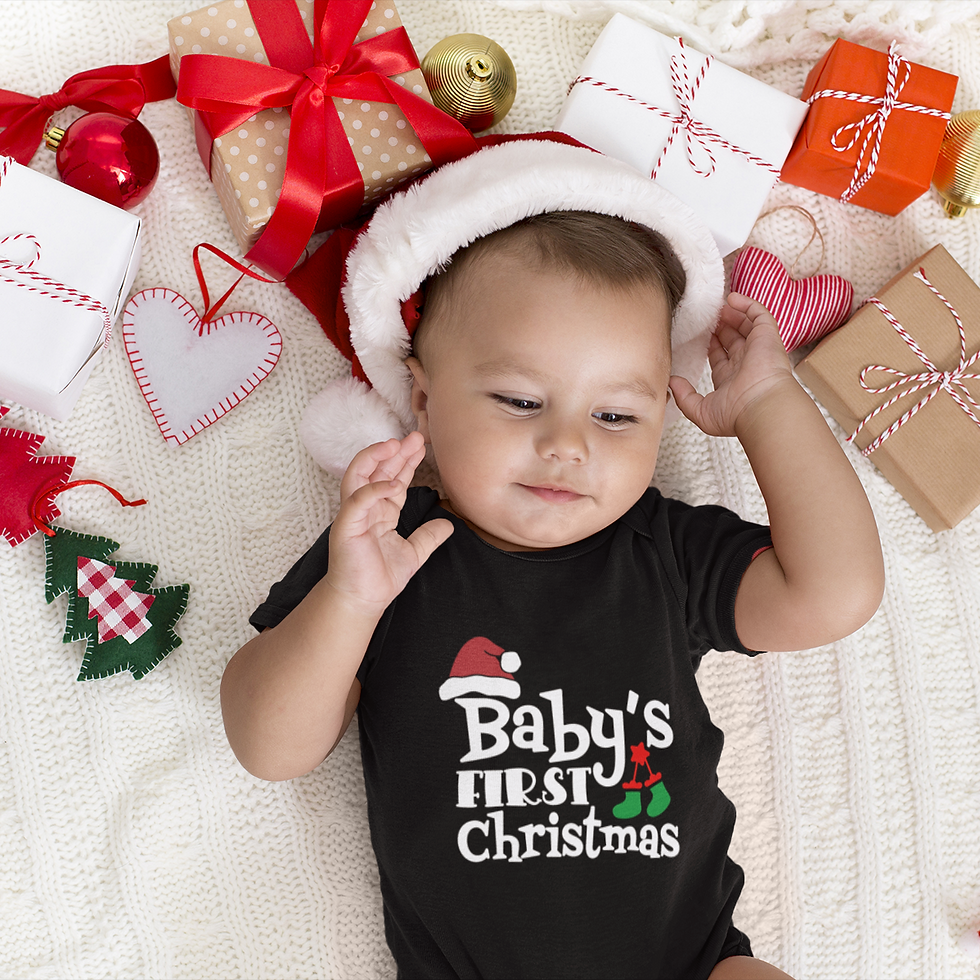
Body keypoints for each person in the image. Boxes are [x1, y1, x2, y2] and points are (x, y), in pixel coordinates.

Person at [221, 139, 884, 980]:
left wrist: (765, 403)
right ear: (422, 398)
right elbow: (267, 747)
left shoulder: (663, 553)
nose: (566, 444)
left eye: (615, 417)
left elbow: (837, 591)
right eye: (521, 401)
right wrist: (347, 604)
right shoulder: (385, 554)